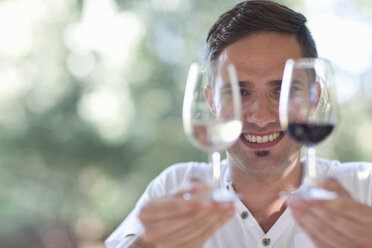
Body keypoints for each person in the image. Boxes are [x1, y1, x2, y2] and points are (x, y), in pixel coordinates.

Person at [105, 1, 372, 247]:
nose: (261, 117)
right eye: (238, 92)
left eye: (283, 90)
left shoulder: (364, 188)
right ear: (211, 102)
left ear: (314, 99)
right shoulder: (176, 187)